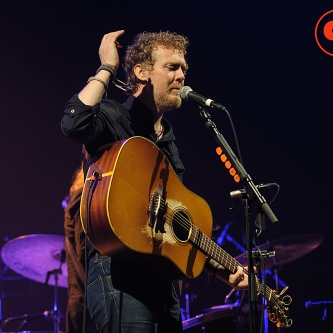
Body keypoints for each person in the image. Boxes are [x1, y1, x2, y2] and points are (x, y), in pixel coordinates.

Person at [60, 30, 248, 332]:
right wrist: (106, 68)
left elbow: (177, 228)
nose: (181, 76)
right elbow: (74, 121)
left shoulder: (170, 143)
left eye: (184, 69)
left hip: (162, 282)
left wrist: (219, 268)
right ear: (141, 72)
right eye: (172, 67)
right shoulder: (113, 116)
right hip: (119, 276)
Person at [62, 163, 98, 333]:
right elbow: (85, 249)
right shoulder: (82, 197)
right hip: (87, 305)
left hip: (86, 301)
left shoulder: (80, 196)